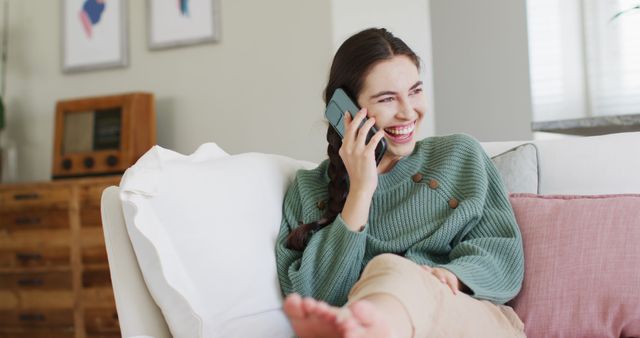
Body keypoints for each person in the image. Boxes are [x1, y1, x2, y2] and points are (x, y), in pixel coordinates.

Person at [275, 27, 526, 338]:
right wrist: (361, 191)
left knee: (390, 270)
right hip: (363, 310)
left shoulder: (459, 156)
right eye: (387, 99)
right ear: (346, 112)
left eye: (415, 91)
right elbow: (316, 295)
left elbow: (502, 254)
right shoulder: (308, 190)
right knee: (381, 278)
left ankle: (368, 327)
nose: (408, 112)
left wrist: (450, 275)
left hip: (464, 316)